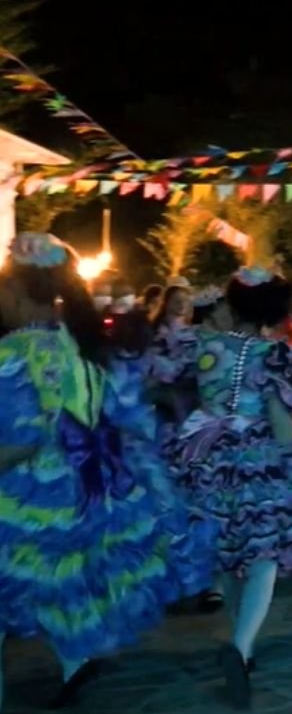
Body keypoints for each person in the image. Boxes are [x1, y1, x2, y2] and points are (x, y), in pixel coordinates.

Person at [0, 234, 214, 710]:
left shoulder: (17, 353)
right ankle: (75, 665)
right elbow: (121, 412)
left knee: (25, 583)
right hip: (85, 485)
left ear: (16, 293)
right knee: (65, 582)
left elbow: (19, 440)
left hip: (26, 491)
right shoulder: (83, 349)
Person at [154, 268, 292, 709]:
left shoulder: (199, 343)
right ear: (275, 311)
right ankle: (240, 647)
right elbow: (281, 423)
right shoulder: (275, 356)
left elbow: (158, 381)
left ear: (233, 303)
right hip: (254, 458)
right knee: (263, 556)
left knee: (225, 548)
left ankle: (242, 644)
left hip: (202, 452)